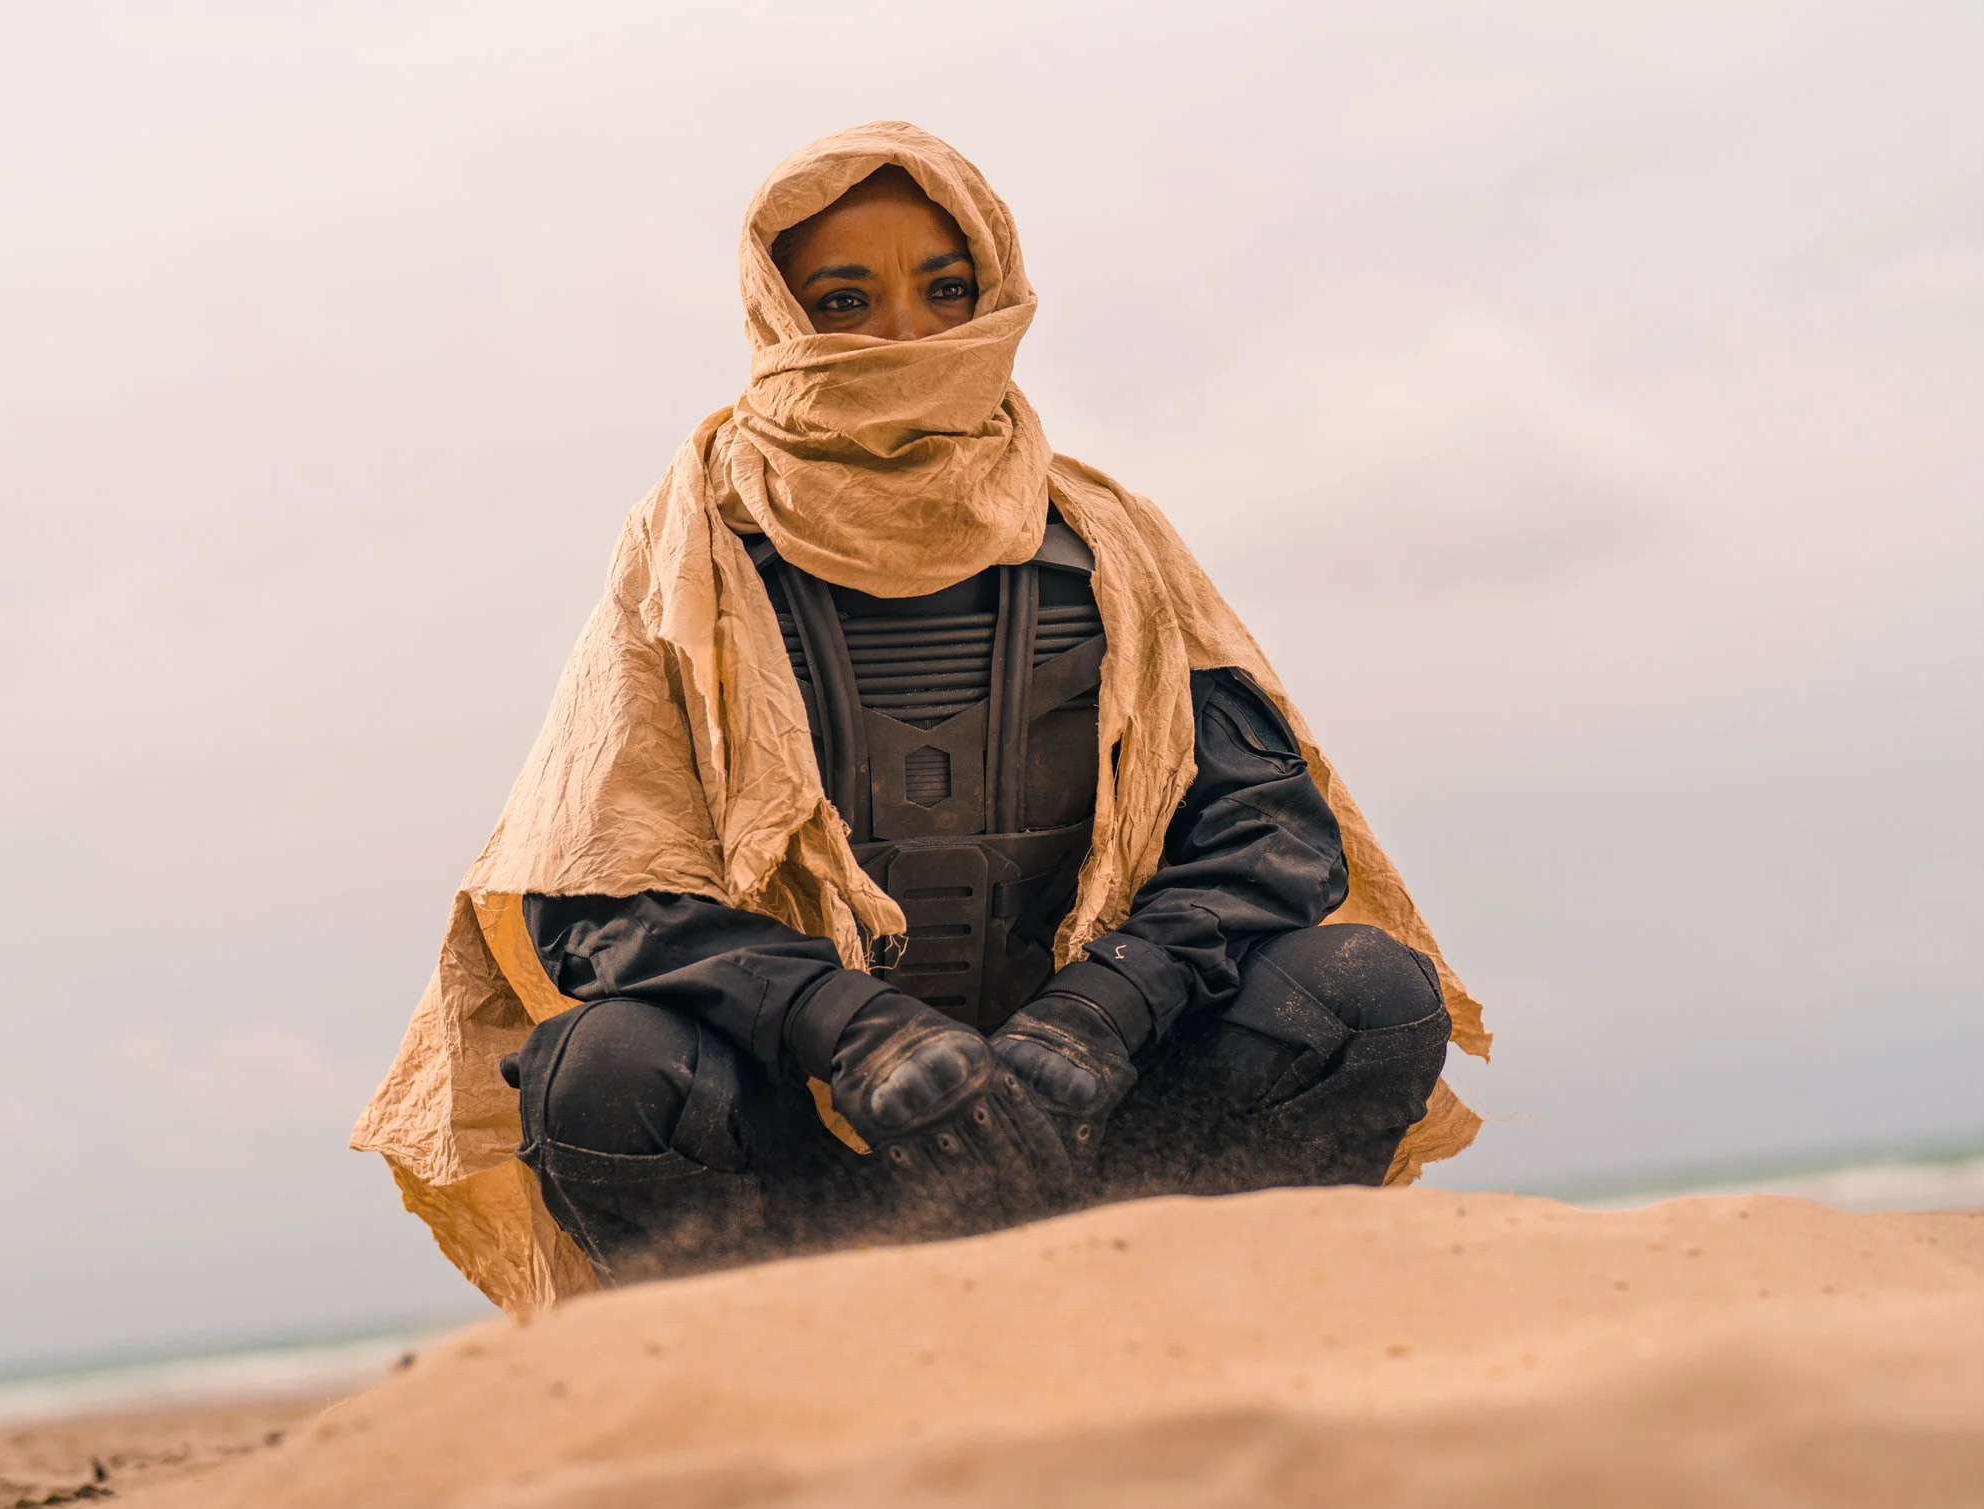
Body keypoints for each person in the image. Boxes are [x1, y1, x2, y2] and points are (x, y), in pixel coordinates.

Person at [352, 124, 1488, 1302]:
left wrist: (1100, 1016)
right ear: (778, 316)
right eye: (846, 299)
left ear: (996, 287)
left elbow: (1268, 837)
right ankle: (782, 1383)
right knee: (604, 1069)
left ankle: (1212, 1319)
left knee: (1360, 993)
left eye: (946, 290)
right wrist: (853, 1030)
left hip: (1106, 1131)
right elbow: (595, 897)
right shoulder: (688, 553)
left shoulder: (1108, 543)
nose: (906, 335)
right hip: (828, 1168)